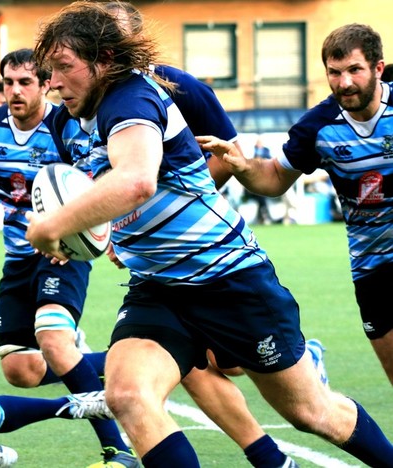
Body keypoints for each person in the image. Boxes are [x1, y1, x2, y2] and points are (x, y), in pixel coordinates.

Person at [29, 4, 393, 467]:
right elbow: (100, 186)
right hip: (159, 287)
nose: (53, 82)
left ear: (102, 60)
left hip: (230, 280)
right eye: (50, 70)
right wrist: (110, 234)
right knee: (128, 395)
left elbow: (136, 179)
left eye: (63, 68)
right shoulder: (67, 120)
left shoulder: (133, 99)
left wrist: (52, 225)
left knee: (311, 412)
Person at [0, 48, 138, 467]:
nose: (14, 91)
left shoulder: (66, 126)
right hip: (18, 254)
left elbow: (102, 181)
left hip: (64, 251)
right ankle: (147, 359)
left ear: (46, 85)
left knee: (54, 342)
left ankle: (119, 450)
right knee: (21, 371)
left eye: (25, 82)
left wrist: (100, 236)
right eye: (8, 82)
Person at [198, 23, 393, 388]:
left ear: (378, 68)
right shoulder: (316, 127)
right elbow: (273, 178)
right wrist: (241, 167)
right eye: (334, 73)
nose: (344, 83)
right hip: (372, 265)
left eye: (354, 70)